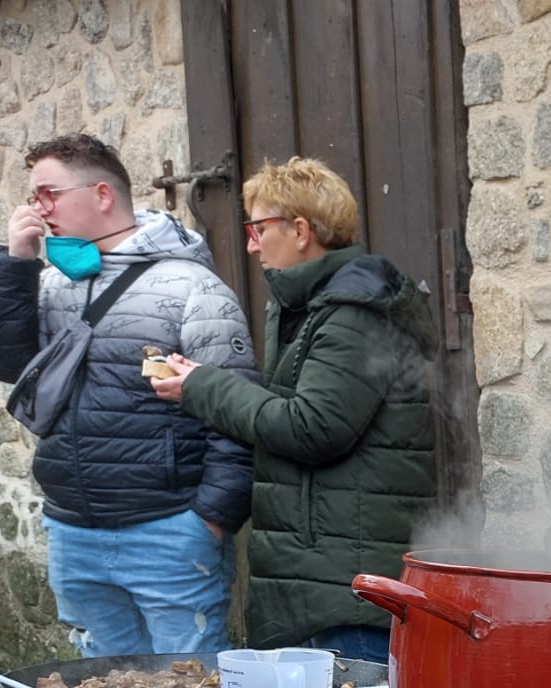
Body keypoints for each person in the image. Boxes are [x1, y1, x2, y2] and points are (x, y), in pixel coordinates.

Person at [0, 133, 256, 688]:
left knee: (192, 679)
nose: (36, 207)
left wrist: (212, 516)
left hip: (169, 524)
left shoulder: (190, 288)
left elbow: (236, 412)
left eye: (47, 193)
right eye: (32, 194)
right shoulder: (55, 281)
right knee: (103, 682)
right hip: (74, 524)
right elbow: (3, 361)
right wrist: (13, 261)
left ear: (101, 195)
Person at [149, 156, 438, 662]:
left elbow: (313, 427)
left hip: (344, 590)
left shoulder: (354, 313)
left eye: (258, 227)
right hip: (322, 577)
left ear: (301, 230)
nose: (250, 244)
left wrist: (202, 387)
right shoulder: (315, 307)